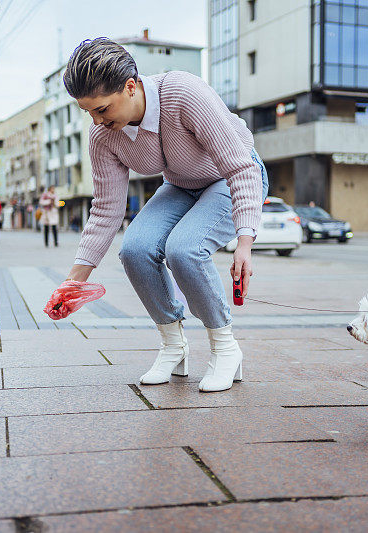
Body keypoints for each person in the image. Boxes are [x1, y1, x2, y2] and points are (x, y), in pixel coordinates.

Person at [64, 38, 268, 392]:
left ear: (130, 87)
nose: (96, 121)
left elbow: (239, 167)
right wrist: (73, 282)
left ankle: (225, 348)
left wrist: (245, 244)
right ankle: (174, 345)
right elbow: (106, 209)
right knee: (135, 249)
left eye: (102, 109)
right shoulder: (104, 137)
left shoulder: (183, 93)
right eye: (89, 113)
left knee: (184, 249)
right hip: (181, 183)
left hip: (231, 176)